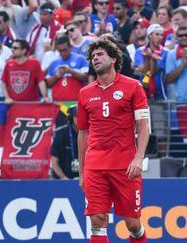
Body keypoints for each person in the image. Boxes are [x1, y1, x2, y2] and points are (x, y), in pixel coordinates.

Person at [77, 39, 150, 243]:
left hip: (125, 166)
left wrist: (138, 158)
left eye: (100, 54)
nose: (95, 58)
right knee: (97, 221)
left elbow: (144, 126)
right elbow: (83, 133)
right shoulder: (85, 93)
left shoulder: (133, 87)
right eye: (93, 56)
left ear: (114, 58)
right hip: (95, 166)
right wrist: (82, 171)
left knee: (133, 224)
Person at [1, 39, 49, 103]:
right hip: (13, 105)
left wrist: (44, 97)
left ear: (24, 50)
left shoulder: (34, 63)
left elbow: (41, 81)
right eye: (11, 47)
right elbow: (3, 82)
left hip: (31, 105)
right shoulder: (9, 64)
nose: (12, 50)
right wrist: (7, 98)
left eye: (15, 48)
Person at [46, 34, 89, 101]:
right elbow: (48, 84)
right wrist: (56, 77)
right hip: (57, 104)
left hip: (76, 102)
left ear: (71, 47)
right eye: (60, 51)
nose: (63, 53)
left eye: (65, 50)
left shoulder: (80, 59)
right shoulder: (53, 63)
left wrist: (70, 71)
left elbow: (86, 77)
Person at [134, 24, 168, 100]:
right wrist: (148, 58)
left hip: (160, 94)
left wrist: (151, 57)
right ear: (150, 35)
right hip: (143, 93)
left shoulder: (166, 52)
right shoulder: (139, 51)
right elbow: (142, 70)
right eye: (157, 34)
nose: (160, 37)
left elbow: (154, 71)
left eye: (162, 35)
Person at [50, 106, 79, 179]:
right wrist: (64, 179)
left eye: (82, 116)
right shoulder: (60, 134)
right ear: (71, 118)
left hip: (86, 180)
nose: (80, 119)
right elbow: (54, 162)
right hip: (62, 181)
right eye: (76, 116)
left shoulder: (91, 134)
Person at [165, 24, 187, 101]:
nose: (184, 37)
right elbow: (168, 79)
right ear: (177, 37)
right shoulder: (171, 54)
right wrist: (183, 65)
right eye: (181, 35)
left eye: (186, 35)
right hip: (180, 101)